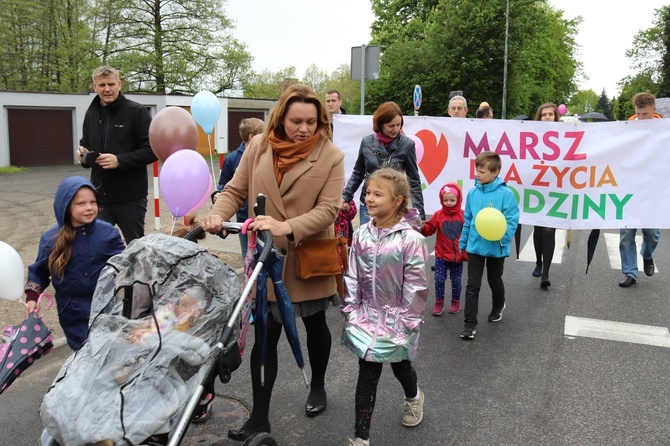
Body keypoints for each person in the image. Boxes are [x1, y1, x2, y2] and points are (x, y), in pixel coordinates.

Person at [201, 84, 345, 441]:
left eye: (312, 122)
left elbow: (329, 210)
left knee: (314, 326)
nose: (305, 129)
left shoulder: (331, 156)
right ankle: (260, 417)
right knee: (266, 338)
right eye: (297, 120)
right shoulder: (259, 146)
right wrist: (217, 214)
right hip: (266, 259)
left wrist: (287, 227)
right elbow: (235, 190)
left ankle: (318, 386)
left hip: (307, 256)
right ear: (281, 117)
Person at [341, 168, 428, 446]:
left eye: (378, 194)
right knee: (367, 373)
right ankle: (360, 438)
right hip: (366, 317)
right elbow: (352, 273)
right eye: (368, 192)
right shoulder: (362, 234)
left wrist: (406, 322)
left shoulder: (410, 239)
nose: (369, 199)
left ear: (398, 201)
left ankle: (414, 396)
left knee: (401, 366)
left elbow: (416, 285)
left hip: (397, 319)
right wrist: (352, 310)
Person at [25, 176, 125, 350]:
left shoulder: (108, 233)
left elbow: (124, 264)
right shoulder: (51, 240)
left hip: (107, 309)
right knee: (82, 354)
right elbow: (39, 272)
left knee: (107, 352)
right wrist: (32, 298)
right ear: (65, 206)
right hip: (72, 314)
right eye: (81, 204)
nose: (89, 208)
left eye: (93, 202)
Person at [77, 65, 157, 244]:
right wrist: (83, 157)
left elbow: (152, 150)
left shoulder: (136, 112)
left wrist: (119, 161)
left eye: (111, 84)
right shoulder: (91, 114)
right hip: (100, 198)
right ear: (94, 87)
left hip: (131, 199)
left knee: (135, 248)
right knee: (96, 246)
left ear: (119, 84)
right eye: (102, 85)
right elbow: (85, 145)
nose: (107, 89)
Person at [459, 152, 519, 340]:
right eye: (476, 170)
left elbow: (511, 220)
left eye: (482, 171)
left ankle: (498, 304)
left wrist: (502, 239)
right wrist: (463, 242)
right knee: (472, 285)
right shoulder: (472, 193)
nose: (477, 174)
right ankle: (469, 324)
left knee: (495, 281)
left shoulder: (506, 194)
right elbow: (468, 219)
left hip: (496, 247)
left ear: (496, 172)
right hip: (475, 246)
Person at [342, 101, 425, 226]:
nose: (396, 129)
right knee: (369, 242)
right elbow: (358, 173)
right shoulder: (366, 142)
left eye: (398, 125)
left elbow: (414, 180)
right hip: (369, 203)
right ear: (380, 124)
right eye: (391, 126)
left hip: (393, 205)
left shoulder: (407, 145)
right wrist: (346, 196)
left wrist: (420, 214)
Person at [618, 92, 662, 287]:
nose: (641, 118)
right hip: (629, 190)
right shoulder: (625, 130)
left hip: (654, 191)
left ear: (654, 110)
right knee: (626, 234)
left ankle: (647, 254)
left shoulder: (665, 131)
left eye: (645, 114)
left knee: (652, 233)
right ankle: (630, 273)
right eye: (638, 114)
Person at [213, 117, 266, 258]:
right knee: (248, 254)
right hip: (244, 217)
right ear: (252, 137)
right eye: (263, 134)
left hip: (263, 216)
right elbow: (224, 184)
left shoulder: (265, 155)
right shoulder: (231, 159)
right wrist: (217, 195)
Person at [421, 183, 467, 316]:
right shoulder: (438, 215)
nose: (448, 203)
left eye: (452, 200)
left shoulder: (463, 215)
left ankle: (455, 301)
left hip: (458, 256)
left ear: (458, 200)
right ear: (441, 200)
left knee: (456, 280)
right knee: (439, 278)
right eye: (445, 200)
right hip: (441, 255)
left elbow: (469, 231)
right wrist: (423, 227)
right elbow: (430, 229)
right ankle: (439, 302)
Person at [532, 103, 560, 288]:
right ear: (539, 117)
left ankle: (546, 272)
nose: (548, 117)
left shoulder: (566, 136)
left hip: (557, 189)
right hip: (536, 188)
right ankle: (538, 262)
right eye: (544, 115)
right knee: (539, 228)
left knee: (549, 230)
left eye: (551, 114)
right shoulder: (532, 136)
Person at [335, 197, 357, 299]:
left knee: (343, 263)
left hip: (342, 237)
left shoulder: (344, 195)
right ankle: (334, 289)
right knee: (332, 262)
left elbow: (351, 213)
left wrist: (347, 208)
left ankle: (344, 291)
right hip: (329, 235)